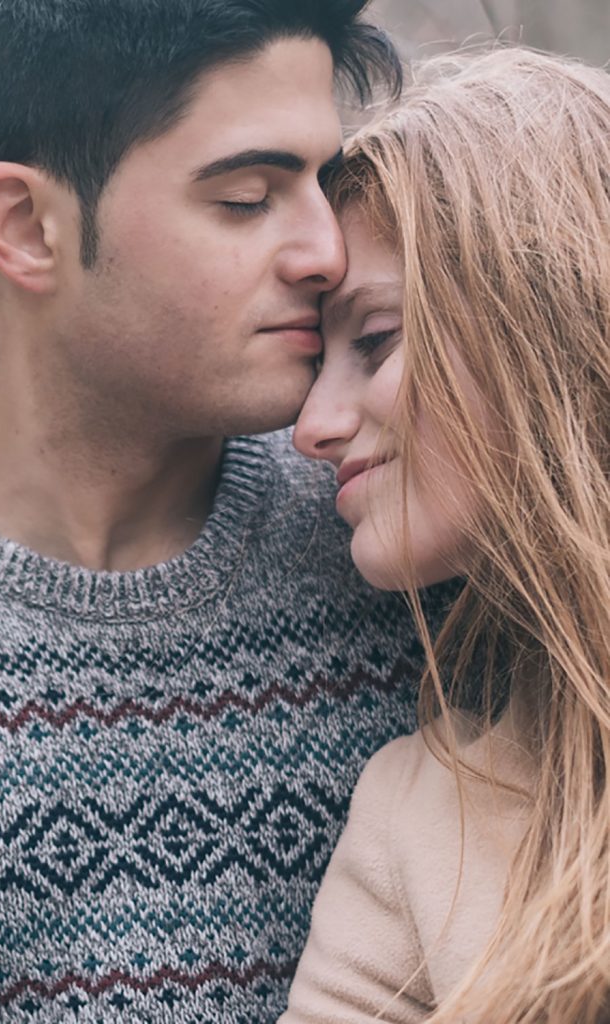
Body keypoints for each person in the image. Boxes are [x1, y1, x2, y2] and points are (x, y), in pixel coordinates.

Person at [0, 2, 433, 1021]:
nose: (326, 252)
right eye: (248, 198)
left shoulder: (405, 536)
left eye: (323, 190)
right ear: (27, 226)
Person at [281, 46, 610, 1024]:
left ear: (546, 319)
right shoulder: (424, 813)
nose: (310, 428)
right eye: (314, 362)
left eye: (374, 341)